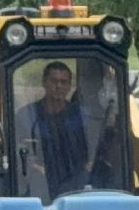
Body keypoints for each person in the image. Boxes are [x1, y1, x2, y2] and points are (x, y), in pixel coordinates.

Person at [16, 61, 91, 199]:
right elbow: (18, 154)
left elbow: (90, 156)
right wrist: (34, 167)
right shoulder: (26, 116)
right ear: (44, 83)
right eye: (54, 81)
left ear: (70, 86)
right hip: (37, 185)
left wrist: (81, 177)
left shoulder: (80, 119)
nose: (58, 86)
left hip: (76, 187)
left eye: (64, 82)